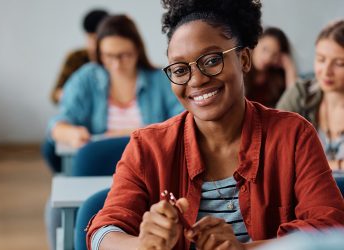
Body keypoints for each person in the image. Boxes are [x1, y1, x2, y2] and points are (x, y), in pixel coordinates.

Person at [86, 1, 344, 250]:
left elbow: (331, 228)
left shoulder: (293, 135)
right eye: (179, 69)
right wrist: (141, 244)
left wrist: (246, 249)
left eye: (211, 60)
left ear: (244, 60)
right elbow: (102, 232)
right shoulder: (148, 147)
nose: (196, 80)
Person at [42, 14, 183, 173]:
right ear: (99, 54)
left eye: (124, 56)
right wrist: (71, 133)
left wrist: (126, 134)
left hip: (150, 169)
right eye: (109, 56)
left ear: (137, 50)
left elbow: (183, 120)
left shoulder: (160, 80)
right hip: (99, 170)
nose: (116, 65)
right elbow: (58, 122)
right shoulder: (86, 77)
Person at [277, 20, 344, 171]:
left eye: (339, 63)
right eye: (321, 59)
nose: (326, 71)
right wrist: (338, 165)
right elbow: (274, 147)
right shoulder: (301, 93)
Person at [50, 9, 109, 104]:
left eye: (98, 39)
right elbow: (54, 94)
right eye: (90, 37)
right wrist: (72, 95)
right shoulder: (75, 58)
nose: (94, 44)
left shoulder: (113, 60)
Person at [245, 27, 297, 107]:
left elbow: (294, 103)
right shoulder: (240, 69)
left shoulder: (276, 80)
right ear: (255, 44)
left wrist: (289, 68)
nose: (267, 58)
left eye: (274, 54)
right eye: (265, 49)